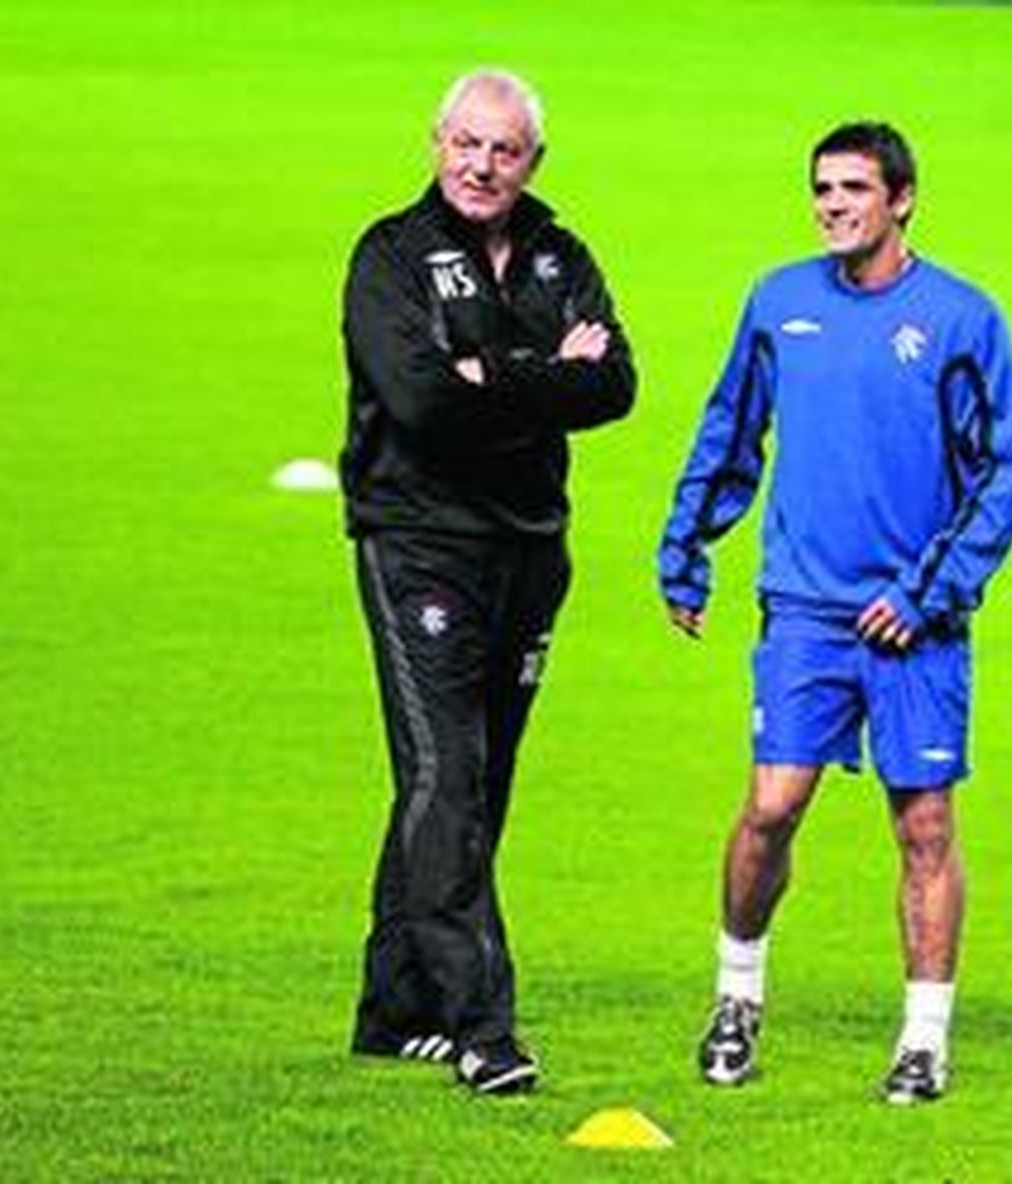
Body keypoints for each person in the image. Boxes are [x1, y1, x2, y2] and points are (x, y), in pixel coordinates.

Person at [658, 122, 1012, 1104]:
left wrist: (927, 594)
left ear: (902, 198)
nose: (832, 204)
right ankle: (737, 994)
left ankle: (923, 1039)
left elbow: (1008, 470)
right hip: (805, 611)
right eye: (821, 188)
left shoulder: (961, 319)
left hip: (914, 622)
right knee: (770, 806)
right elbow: (728, 425)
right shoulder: (778, 302)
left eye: (854, 188)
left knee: (923, 826)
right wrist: (686, 549)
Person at [340, 68, 635, 1096]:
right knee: (445, 775)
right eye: (465, 143)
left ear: (532, 162)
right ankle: (481, 1026)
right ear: (435, 142)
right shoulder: (388, 257)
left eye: (503, 150)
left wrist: (491, 374)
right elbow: (420, 403)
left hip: (529, 550)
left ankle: (393, 1009)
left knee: (474, 777)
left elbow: (615, 384)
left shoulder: (562, 252)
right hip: (418, 542)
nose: (481, 164)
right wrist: (544, 373)